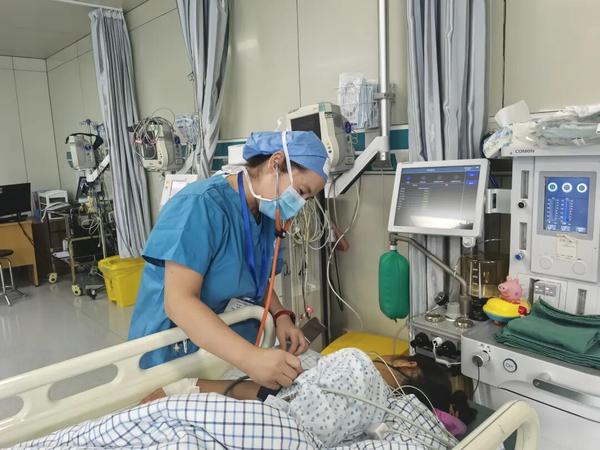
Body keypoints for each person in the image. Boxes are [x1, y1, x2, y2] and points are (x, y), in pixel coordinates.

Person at [128, 131, 329, 389]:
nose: (299, 204)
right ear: (275, 163)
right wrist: (251, 358)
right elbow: (178, 302)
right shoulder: (200, 206)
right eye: (301, 191)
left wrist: (280, 315)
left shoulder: (266, 213)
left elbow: (255, 277)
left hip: (226, 348)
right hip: (176, 351)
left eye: (306, 199)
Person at [141, 348, 476, 444]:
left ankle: (185, 393)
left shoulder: (358, 360)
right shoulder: (382, 411)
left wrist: (186, 389)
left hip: (273, 419)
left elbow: (293, 406)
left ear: (407, 364)